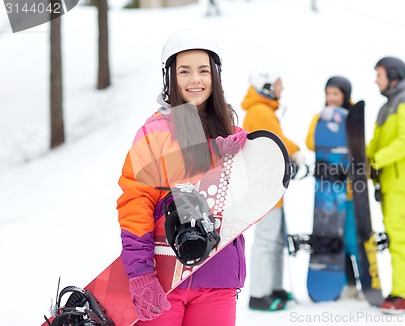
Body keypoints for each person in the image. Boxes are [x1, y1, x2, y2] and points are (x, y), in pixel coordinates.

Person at [116, 29, 248, 326]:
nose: (195, 80)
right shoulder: (155, 131)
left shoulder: (231, 133)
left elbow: (249, 206)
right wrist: (139, 274)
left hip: (218, 274)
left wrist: (241, 160)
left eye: (203, 70)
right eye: (184, 71)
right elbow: (135, 202)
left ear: (216, 76)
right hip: (166, 276)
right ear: (170, 77)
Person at [241, 70, 305, 311]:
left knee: (276, 239)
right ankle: (259, 294)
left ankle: (274, 287)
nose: (282, 89)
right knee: (267, 240)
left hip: (271, 186)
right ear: (267, 87)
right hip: (263, 187)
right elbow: (277, 140)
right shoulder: (260, 111)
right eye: (279, 85)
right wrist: (296, 151)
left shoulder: (265, 110)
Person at [368, 56, 405, 314]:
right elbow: (378, 142)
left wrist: (377, 161)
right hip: (390, 184)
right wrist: (364, 160)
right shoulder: (388, 106)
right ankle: (401, 290)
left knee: (400, 238)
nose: (376, 79)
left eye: (380, 74)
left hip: (401, 183)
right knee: (395, 238)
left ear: (393, 75)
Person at [305, 76, 362, 300]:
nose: (331, 98)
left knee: (351, 237)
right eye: (328, 93)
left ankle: (362, 280)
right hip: (328, 192)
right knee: (333, 237)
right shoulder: (320, 117)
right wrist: (324, 124)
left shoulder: (354, 119)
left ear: (345, 95)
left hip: (348, 192)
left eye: (336, 94)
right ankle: (346, 284)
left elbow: (361, 147)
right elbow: (311, 142)